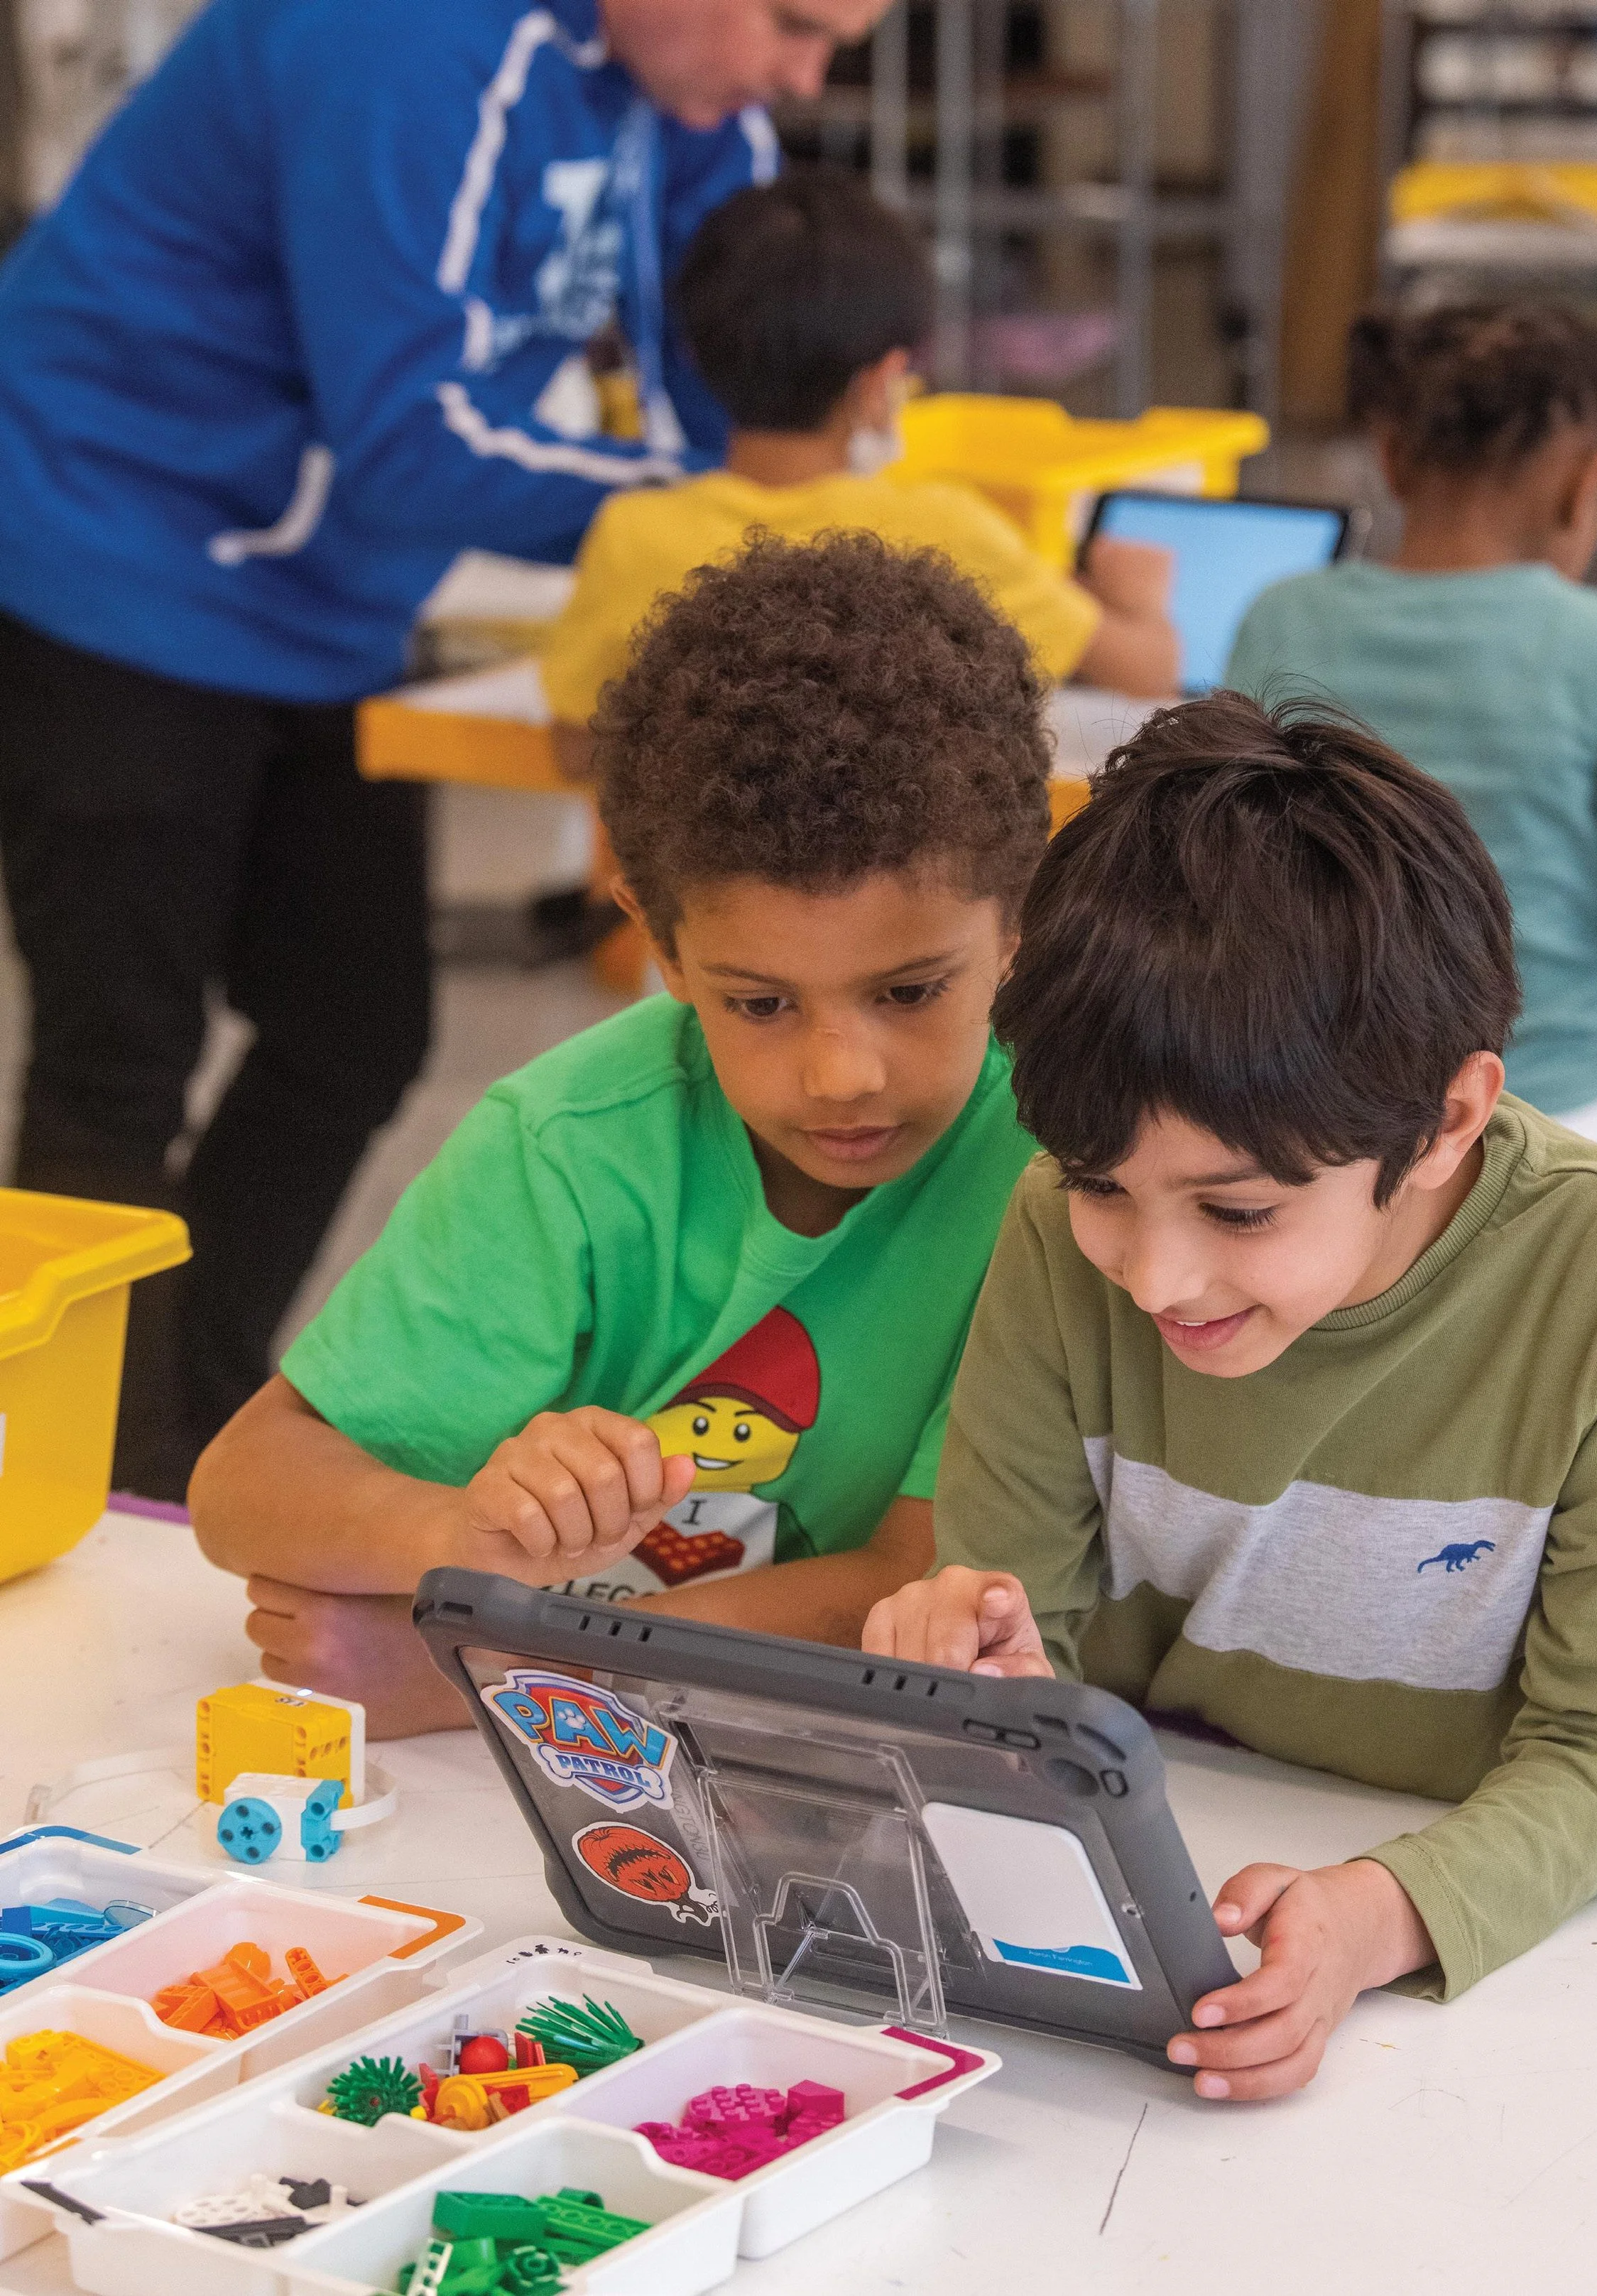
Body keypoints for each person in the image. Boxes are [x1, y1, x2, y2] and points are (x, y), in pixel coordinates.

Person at [0, 0, 886, 1502]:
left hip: (323, 596)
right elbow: (419, 442)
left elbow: (733, 381)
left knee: (352, 1028)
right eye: (795, 26)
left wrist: (770, 500)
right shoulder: (395, 47)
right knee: (117, 1064)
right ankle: (71, 1469)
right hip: (111, 553)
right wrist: (726, 508)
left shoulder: (686, 89)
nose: (801, 79)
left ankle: (177, 1428)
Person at [863, 693, 1597, 2101]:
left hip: (1453, 1929)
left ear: (1446, 1119)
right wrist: (990, 1673)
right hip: (1163, 1873)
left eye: (1239, 1208)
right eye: (1101, 1185)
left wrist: (1374, 1915)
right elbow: (1031, 1625)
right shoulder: (1050, 1224)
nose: (1153, 1272)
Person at [188, 533, 1047, 1736]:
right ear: (661, 945)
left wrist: (497, 1668)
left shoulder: (1062, 1169)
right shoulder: (568, 1143)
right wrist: (457, 1534)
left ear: (1019, 917)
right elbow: (243, 1485)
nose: (842, 1074)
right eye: (759, 1001)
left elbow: (923, 1584)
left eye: (910, 990)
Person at [1226, 301, 1597, 1303]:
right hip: (1559, 1110)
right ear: (1589, 483)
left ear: (1389, 460)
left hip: (1324, 1108)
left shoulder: (1282, 619)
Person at [541, 164, 1178, 762]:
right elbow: (1145, 673)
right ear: (882, 382)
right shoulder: (945, 531)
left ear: (698, 355)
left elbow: (573, 745)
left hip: (685, 882)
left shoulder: (635, 532)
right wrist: (1140, 605)